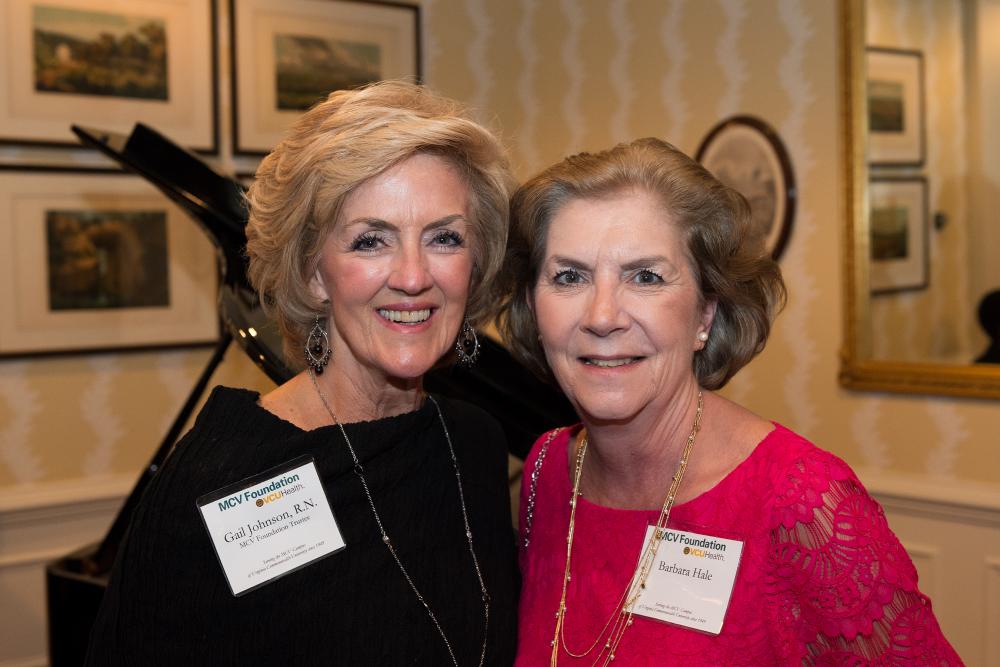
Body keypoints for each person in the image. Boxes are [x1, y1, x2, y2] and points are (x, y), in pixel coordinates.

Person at [86, 81, 519, 665]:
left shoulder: (475, 443)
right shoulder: (219, 480)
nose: (414, 276)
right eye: (371, 241)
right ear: (315, 275)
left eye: (444, 238)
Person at [500, 138, 961, 665]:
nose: (602, 316)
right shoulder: (548, 471)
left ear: (705, 316)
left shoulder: (802, 504)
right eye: (570, 277)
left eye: (645, 276)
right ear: (534, 308)